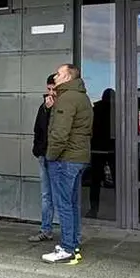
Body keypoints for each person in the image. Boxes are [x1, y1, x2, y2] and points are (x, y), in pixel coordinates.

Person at [42, 64, 93, 264]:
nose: (55, 76)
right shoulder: (82, 97)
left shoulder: (67, 98)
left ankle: (67, 247)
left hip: (65, 159)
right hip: (78, 157)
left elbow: (60, 134)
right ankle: (73, 242)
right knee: (71, 204)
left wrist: (50, 156)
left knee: (64, 204)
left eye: (59, 73)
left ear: (68, 77)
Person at [29, 75, 58, 244]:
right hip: (44, 154)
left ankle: (70, 235)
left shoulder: (62, 106)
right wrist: (37, 150)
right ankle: (46, 229)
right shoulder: (44, 106)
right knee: (46, 194)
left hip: (57, 156)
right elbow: (38, 129)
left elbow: (55, 130)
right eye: (48, 89)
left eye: (54, 89)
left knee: (61, 196)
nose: (51, 93)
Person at [87, 88, 116, 219]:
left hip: (97, 148)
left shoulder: (96, 109)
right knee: (118, 180)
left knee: (95, 181)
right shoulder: (117, 111)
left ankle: (93, 209)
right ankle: (121, 209)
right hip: (113, 149)